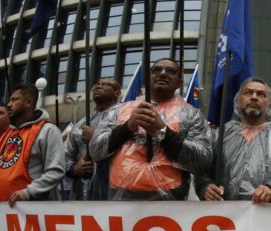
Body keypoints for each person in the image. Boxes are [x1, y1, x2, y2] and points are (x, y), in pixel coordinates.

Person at [90, 58, 211, 200]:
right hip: (121, 200)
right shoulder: (120, 110)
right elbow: (96, 151)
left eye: (170, 71)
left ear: (179, 83)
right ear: (148, 78)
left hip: (170, 203)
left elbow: (202, 160)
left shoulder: (191, 114)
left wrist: (162, 132)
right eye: (156, 70)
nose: (163, 74)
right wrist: (127, 127)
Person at [196, 78, 271, 203]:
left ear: (270, 104)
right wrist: (205, 187)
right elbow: (201, 169)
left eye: (261, 94)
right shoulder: (219, 135)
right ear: (238, 101)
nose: (254, 97)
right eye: (248, 93)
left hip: (268, 217)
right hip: (226, 217)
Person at [0, 82, 66, 205]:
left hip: (36, 212)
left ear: (29, 103)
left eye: (14, 100)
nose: (9, 105)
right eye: (9, 100)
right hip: (4, 211)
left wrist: (27, 192)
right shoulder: (7, 134)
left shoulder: (48, 130)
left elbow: (56, 171)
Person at [65, 77, 121, 200]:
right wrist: (74, 169)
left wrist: (95, 137)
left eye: (106, 84)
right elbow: (65, 154)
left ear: (117, 93)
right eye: (97, 84)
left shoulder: (125, 116)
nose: (99, 86)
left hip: (115, 195)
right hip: (82, 196)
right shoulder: (80, 124)